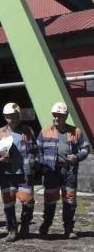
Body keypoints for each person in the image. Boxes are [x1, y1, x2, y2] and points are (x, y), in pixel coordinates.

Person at [37, 101, 90, 238]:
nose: (57, 117)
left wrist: (77, 157)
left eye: (60, 115)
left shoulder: (75, 131)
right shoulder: (45, 131)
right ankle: (46, 224)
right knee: (50, 200)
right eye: (55, 115)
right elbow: (37, 151)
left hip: (69, 171)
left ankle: (68, 228)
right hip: (51, 171)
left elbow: (85, 148)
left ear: (65, 116)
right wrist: (43, 167)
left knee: (70, 200)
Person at [0, 103, 38, 242]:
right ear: (5, 117)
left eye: (15, 116)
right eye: (9, 117)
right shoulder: (0, 132)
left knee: (28, 201)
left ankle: (25, 225)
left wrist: (35, 164)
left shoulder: (28, 131)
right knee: (8, 203)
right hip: (7, 174)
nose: (12, 119)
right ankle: (12, 230)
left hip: (25, 173)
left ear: (19, 116)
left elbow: (37, 150)